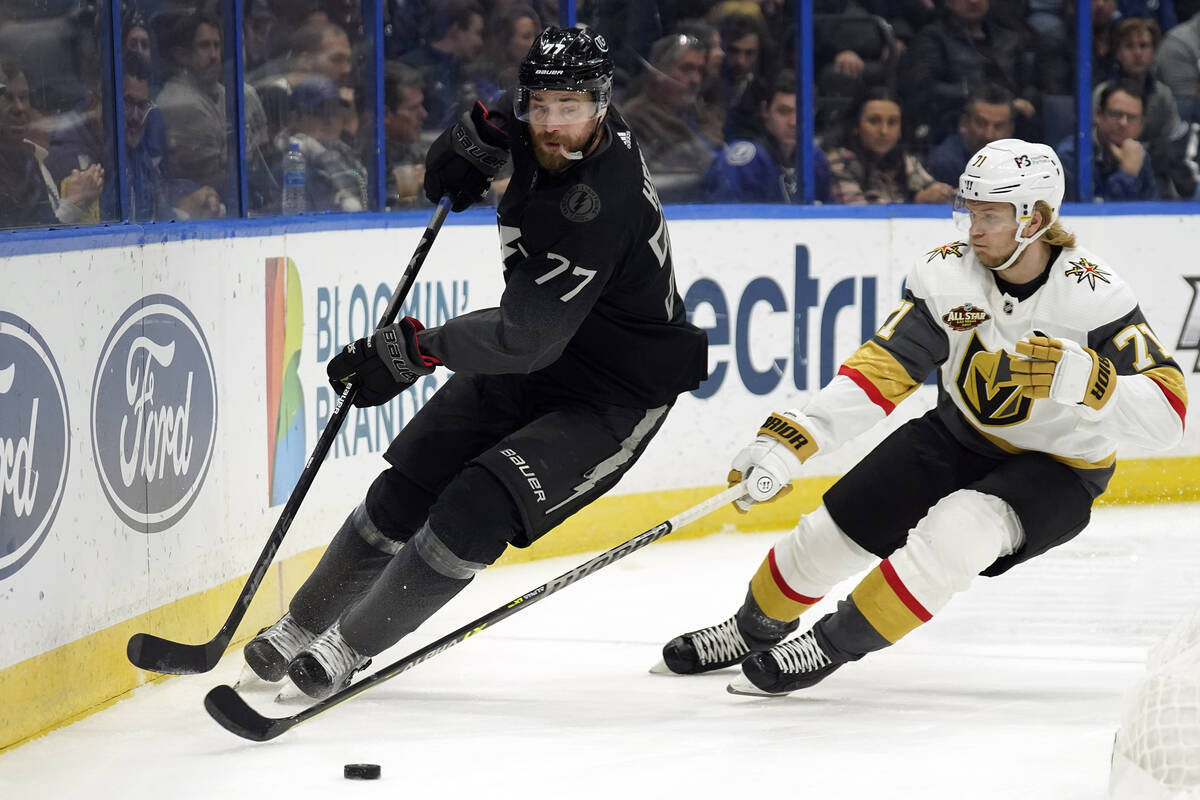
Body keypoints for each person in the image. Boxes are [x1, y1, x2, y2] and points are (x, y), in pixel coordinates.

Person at [241, 25, 708, 700]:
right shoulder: (533, 121)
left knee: (477, 503)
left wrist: (415, 350)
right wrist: (470, 138)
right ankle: (299, 626)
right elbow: (447, 170)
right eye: (539, 106)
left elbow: (526, 338)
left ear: (601, 107)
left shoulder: (600, 201)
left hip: (615, 394)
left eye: (570, 109)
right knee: (410, 481)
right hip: (541, 364)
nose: (551, 125)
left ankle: (347, 647)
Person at [653, 138, 1188, 697]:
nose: (973, 229)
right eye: (969, 211)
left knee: (959, 532)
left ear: (1038, 218)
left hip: (1059, 469)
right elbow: (882, 369)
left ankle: (829, 644)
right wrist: (796, 437)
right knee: (824, 537)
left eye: (989, 216)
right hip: (957, 436)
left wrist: (1095, 386)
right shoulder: (948, 275)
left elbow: (1169, 413)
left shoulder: (1094, 296)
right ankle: (750, 629)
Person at [701, 70, 833, 203]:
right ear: (765, 110)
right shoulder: (745, 163)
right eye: (783, 111)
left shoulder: (815, 159)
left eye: (802, 113)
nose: (793, 122)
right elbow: (726, 219)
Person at [621, 32, 720, 202]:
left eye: (699, 71)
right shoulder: (632, 122)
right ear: (658, 71)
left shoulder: (703, 118)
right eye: (686, 69)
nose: (695, 80)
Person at [824, 86, 957, 204]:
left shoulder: (906, 161)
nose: (884, 131)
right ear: (856, 126)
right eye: (874, 121)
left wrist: (942, 194)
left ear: (900, 131)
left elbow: (940, 194)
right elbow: (858, 215)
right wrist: (916, 201)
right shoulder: (840, 161)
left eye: (892, 122)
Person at [1059, 79, 1159, 201]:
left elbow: (1152, 210)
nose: (1123, 123)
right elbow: (1093, 216)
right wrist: (1127, 175)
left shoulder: (1138, 155)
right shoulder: (1071, 155)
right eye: (1116, 114)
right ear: (1099, 115)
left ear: (1141, 125)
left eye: (1132, 118)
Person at [924, 83, 1016, 186]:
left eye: (999, 126)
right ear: (964, 123)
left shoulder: (1021, 164)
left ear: (1010, 129)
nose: (989, 135)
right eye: (981, 123)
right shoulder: (945, 163)